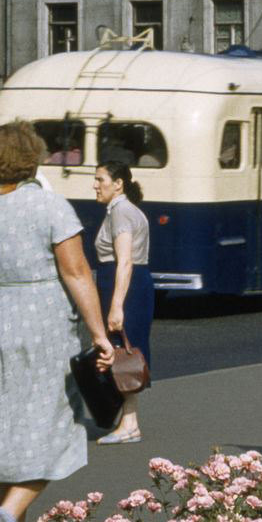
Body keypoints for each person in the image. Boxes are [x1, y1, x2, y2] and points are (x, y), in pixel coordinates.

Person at [0, 122, 114, 522]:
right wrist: (99, 334)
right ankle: (7, 517)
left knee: (4, 431)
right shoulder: (49, 206)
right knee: (55, 425)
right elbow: (76, 272)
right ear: (30, 159)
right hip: (39, 319)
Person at [91, 161, 153, 445]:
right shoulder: (129, 211)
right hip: (132, 285)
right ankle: (129, 421)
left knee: (121, 352)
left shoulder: (120, 213)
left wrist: (116, 305)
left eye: (100, 179)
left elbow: (124, 261)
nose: (95, 185)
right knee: (124, 351)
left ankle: (129, 423)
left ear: (118, 184)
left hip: (122, 286)